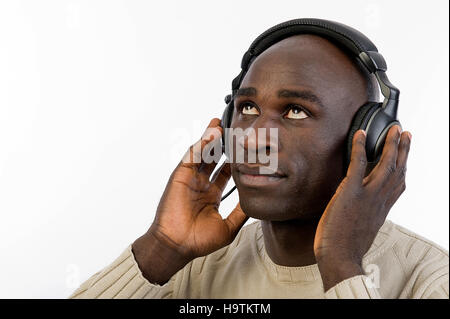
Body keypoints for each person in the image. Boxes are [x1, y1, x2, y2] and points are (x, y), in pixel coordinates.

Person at [69, 20, 448, 299]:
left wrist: (341, 265)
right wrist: (162, 247)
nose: (251, 138)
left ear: (371, 141)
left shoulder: (432, 279)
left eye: (296, 111)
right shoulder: (194, 268)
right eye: (247, 107)